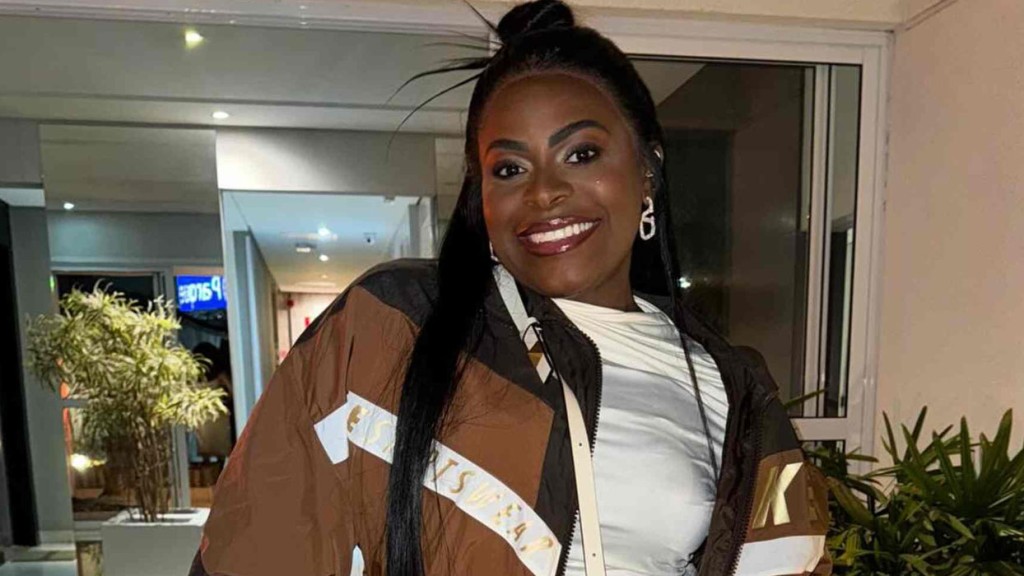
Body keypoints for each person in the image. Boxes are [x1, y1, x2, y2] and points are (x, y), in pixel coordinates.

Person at [190, 1, 831, 575]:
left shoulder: (725, 383)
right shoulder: (391, 326)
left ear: (647, 170)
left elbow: (786, 561)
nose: (544, 192)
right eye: (509, 168)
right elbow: (257, 546)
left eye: (582, 154)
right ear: (482, 198)